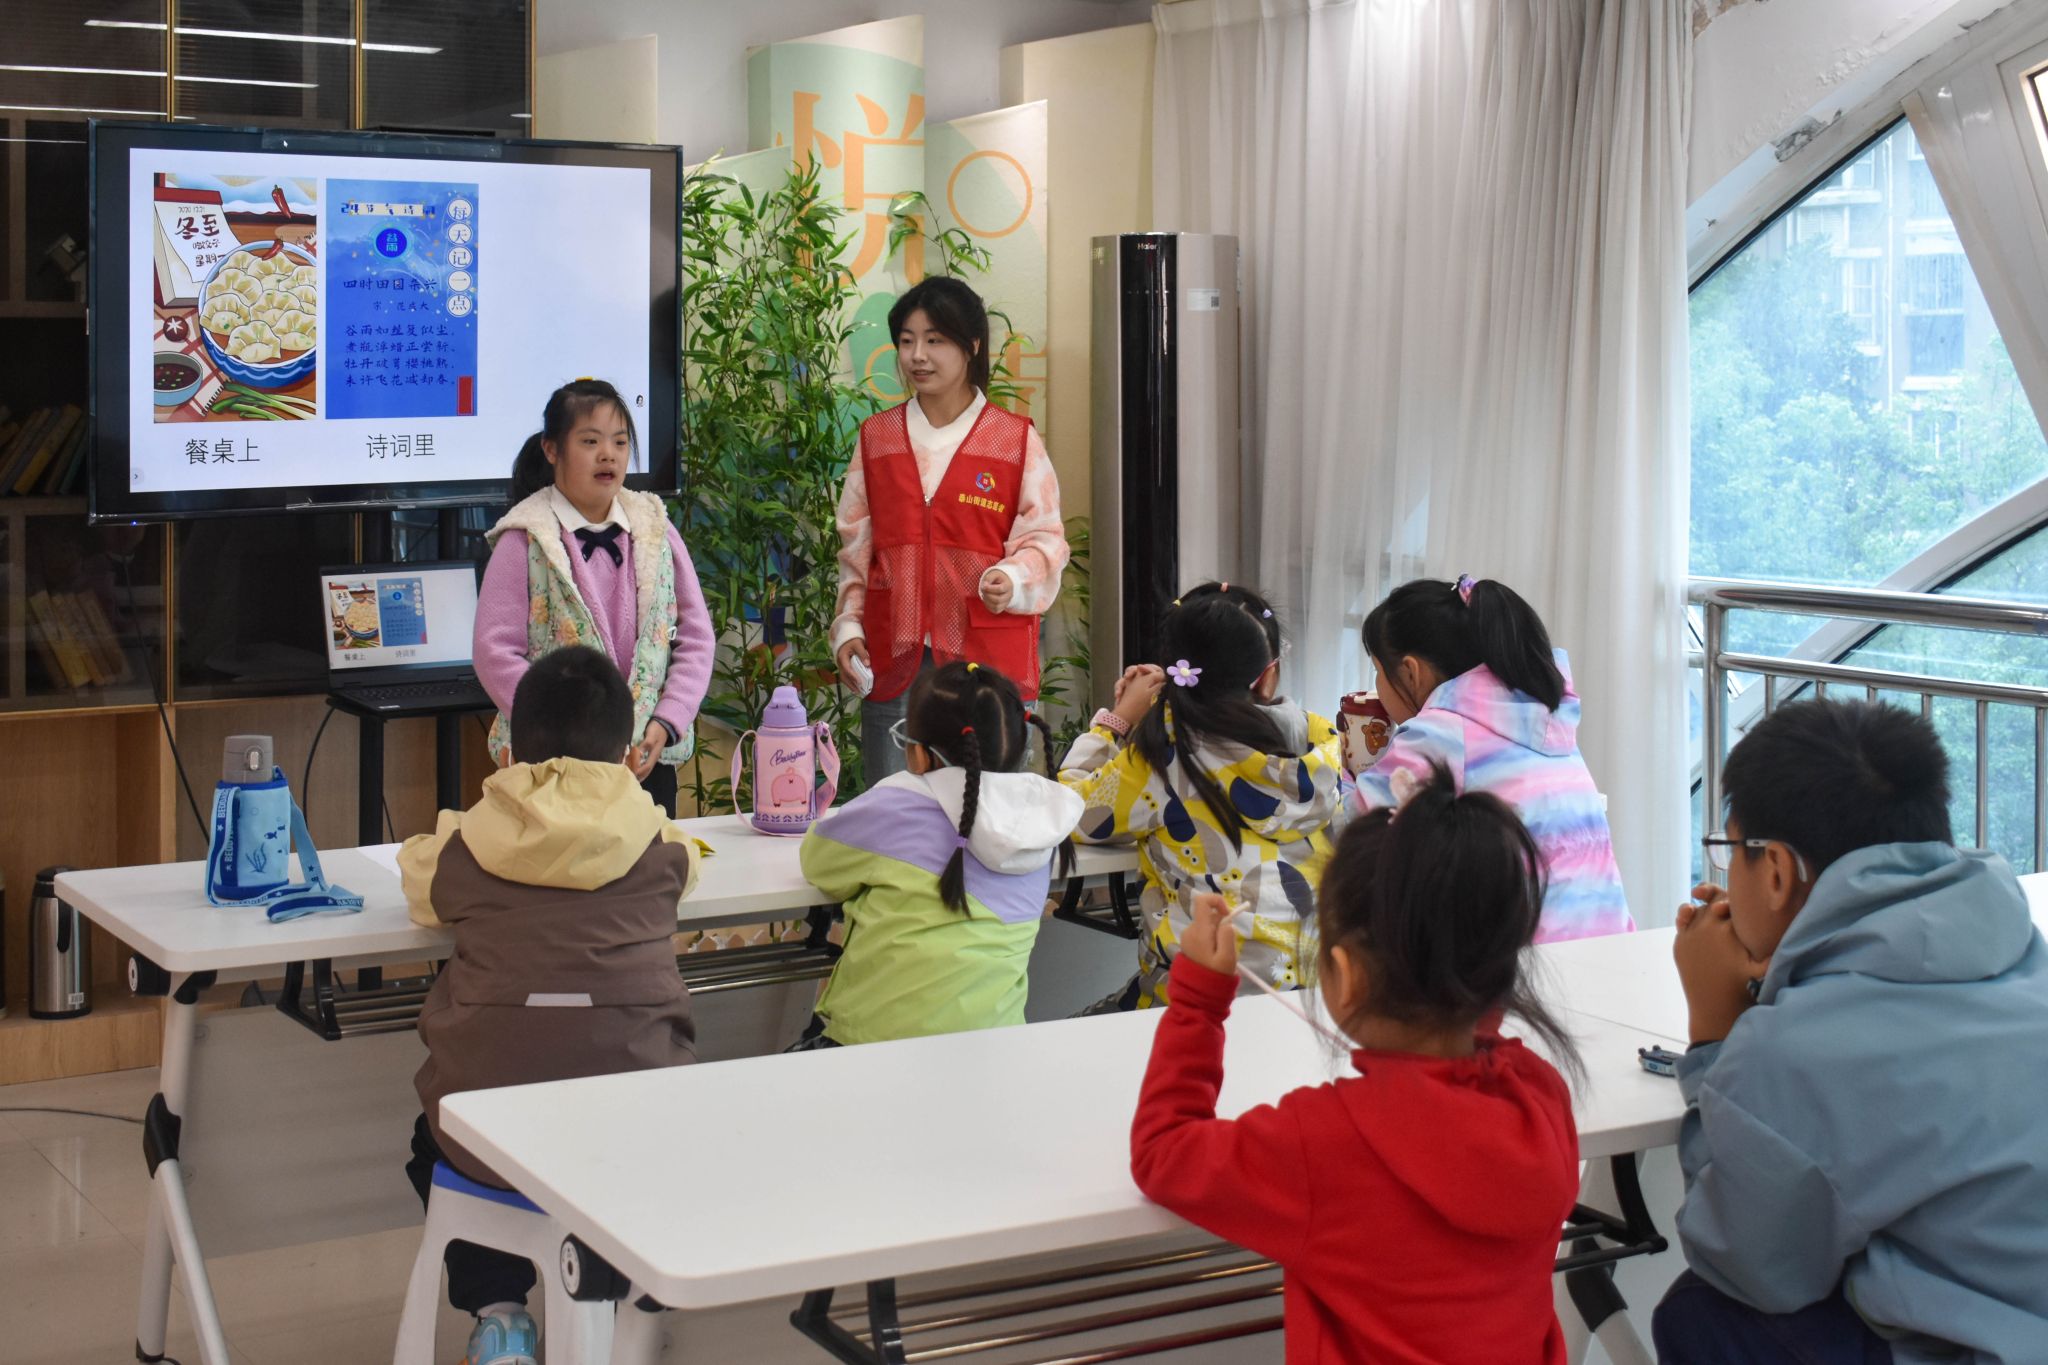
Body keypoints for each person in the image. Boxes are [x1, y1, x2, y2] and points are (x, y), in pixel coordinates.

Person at [1130, 766, 1582, 1363]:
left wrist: (1199, 1000)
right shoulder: (1541, 1098)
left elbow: (1163, 1154)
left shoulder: (1321, 1142)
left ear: (1347, 976)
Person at [1656, 699, 2048, 1363]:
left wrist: (1715, 1035)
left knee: (1701, 1310)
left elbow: (1745, 1260)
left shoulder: (1797, 1050)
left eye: (1730, 853)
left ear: (1776, 871)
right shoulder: (2023, 952)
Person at [398, 646, 702, 1365]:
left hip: (486, 1135)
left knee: (431, 1142)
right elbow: (690, 863)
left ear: (511, 746)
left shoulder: (467, 843)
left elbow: (417, 879)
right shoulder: (658, 843)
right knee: (644, 1134)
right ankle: (622, 1305)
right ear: (627, 754)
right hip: (633, 1129)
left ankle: (500, 1316)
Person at [831, 276, 1070, 785]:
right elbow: (856, 548)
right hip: (894, 656)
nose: (917, 355)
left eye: (935, 340)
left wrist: (1014, 577)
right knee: (895, 813)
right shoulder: (876, 438)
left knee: (990, 811)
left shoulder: (1014, 440)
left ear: (972, 345)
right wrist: (848, 627)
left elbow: (1046, 538)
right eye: (906, 341)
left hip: (987, 666)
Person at [1060, 583, 1342, 1010]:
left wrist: (1115, 722)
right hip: (1312, 999)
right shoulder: (1318, 743)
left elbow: (1068, 812)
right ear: (1268, 676)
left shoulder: (1164, 756)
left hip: (1198, 1000)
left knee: (1078, 1026)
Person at [791, 661, 1081, 1048]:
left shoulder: (895, 805)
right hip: (995, 1051)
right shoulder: (1045, 820)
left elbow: (817, 862)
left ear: (919, 755)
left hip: (870, 1049)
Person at [474, 378, 715, 816]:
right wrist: (555, 730)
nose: (609, 454)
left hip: (644, 756)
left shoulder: (655, 529)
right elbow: (494, 652)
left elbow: (696, 638)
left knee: (643, 855)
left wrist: (667, 720)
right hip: (551, 765)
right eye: (590, 441)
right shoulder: (525, 539)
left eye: (620, 442)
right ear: (552, 449)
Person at [1352, 574, 1631, 941]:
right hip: (1611, 943)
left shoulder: (1440, 733)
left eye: (1378, 671)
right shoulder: (1543, 714)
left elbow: (1357, 834)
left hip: (1528, 961)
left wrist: (1347, 773)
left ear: (1410, 672)